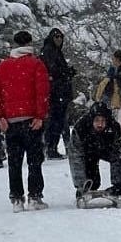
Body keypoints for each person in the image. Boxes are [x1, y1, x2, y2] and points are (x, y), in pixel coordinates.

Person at [0, 30, 51, 212]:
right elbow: (42, 92)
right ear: (30, 43)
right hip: (31, 119)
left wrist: (0, 116)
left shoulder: (2, 67)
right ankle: (35, 196)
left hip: (11, 121)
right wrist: (40, 115)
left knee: (14, 162)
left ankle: (16, 199)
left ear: (14, 45)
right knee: (34, 160)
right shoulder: (36, 64)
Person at [67, 102, 121, 205]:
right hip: (88, 152)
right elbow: (76, 158)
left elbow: (118, 152)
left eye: (103, 121)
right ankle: (87, 187)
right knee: (93, 182)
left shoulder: (114, 127)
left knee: (119, 158)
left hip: (107, 150)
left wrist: (118, 184)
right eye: (96, 120)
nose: (100, 124)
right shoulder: (80, 128)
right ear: (91, 119)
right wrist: (81, 185)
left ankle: (118, 188)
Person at [40, 28, 75, 159]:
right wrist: (66, 73)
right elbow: (52, 71)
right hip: (56, 92)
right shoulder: (49, 51)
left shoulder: (55, 51)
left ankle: (51, 147)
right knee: (56, 121)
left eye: (60, 37)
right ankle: (51, 148)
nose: (59, 39)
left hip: (59, 91)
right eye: (56, 37)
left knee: (58, 121)